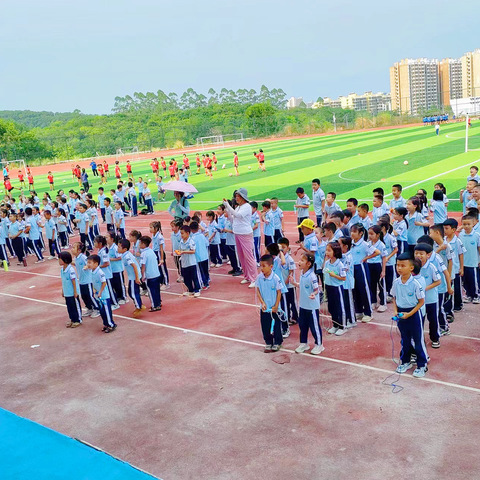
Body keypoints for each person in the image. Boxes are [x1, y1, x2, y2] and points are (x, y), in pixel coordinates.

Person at [392, 254, 428, 378]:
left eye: (403, 265)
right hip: (402, 313)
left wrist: (409, 314)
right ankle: (405, 361)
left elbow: (421, 302)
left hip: (413, 313)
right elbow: (394, 298)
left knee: (417, 340)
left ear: (411, 268)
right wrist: (396, 311)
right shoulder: (396, 282)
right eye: (398, 265)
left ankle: (422, 364)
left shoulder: (416, 284)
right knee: (405, 339)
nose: (399, 268)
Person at [223, 188, 258, 288]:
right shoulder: (238, 207)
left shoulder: (247, 207)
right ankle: (247, 276)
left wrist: (228, 206)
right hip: (238, 233)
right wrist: (227, 208)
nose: (236, 198)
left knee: (249, 257)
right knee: (241, 257)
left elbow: (238, 215)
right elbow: (233, 218)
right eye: (236, 196)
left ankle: (254, 278)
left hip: (245, 233)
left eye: (238, 196)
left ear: (243, 197)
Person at [291, 253, 324, 355]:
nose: (299, 262)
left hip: (312, 306)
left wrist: (313, 294)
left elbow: (316, 289)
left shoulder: (312, 276)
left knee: (314, 326)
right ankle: (304, 343)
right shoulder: (302, 274)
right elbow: (303, 286)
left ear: (309, 264)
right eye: (299, 260)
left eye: (302, 260)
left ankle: (319, 345)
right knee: (303, 326)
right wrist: (294, 284)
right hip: (303, 305)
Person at [414, 243, 441, 348]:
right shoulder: (413, 266)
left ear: (428, 255)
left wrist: (424, 288)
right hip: (419, 301)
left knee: (433, 319)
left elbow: (438, 281)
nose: (418, 256)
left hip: (431, 299)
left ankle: (435, 338)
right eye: (416, 253)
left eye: (421, 254)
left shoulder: (431, 267)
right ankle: (420, 340)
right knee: (419, 321)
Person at [350, 224, 379, 323]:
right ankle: (359, 311)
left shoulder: (365, 244)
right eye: (351, 231)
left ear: (361, 233)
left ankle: (368, 312)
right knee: (355, 289)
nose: (352, 234)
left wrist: (366, 258)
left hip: (361, 268)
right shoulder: (351, 243)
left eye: (354, 232)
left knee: (364, 289)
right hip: (352, 268)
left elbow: (377, 252)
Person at [256, 254, 283, 352]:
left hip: (274, 308)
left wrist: (276, 306)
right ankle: (268, 342)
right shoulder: (259, 278)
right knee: (265, 325)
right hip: (265, 308)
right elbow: (258, 291)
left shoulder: (275, 278)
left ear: (271, 266)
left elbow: (279, 292)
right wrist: (262, 303)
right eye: (260, 266)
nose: (261, 268)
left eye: (264, 266)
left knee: (276, 325)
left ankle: (277, 342)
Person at [87, 254, 117, 332]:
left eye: (90, 263)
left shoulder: (100, 272)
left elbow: (104, 283)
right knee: (102, 311)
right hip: (98, 295)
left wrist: (100, 292)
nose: (88, 264)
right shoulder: (92, 271)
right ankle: (106, 324)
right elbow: (93, 282)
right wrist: (94, 289)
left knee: (106, 310)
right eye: (88, 263)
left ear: (96, 264)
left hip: (104, 295)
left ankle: (111, 324)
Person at [71, 241, 100, 318]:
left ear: (79, 250)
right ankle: (89, 308)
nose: (72, 249)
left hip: (88, 281)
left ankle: (97, 309)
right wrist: (70, 263)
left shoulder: (83, 257)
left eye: (74, 248)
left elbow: (89, 263)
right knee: (84, 296)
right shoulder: (76, 258)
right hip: (81, 281)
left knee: (90, 296)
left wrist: (87, 266)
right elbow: (76, 264)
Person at [324, 242, 347, 335]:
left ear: (335, 252)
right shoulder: (327, 263)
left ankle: (342, 326)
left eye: (329, 251)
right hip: (329, 287)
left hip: (337, 288)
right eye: (326, 250)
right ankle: (335, 324)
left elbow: (343, 278)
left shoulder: (340, 264)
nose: (327, 252)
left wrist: (334, 275)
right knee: (331, 307)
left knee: (339, 307)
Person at [118, 238, 145, 317]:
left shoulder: (127, 256)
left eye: (119, 247)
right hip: (132, 277)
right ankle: (139, 304)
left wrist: (137, 278)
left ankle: (139, 307)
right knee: (131, 292)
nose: (117, 248)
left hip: (134, 277)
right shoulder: (125, 254)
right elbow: (135, 260)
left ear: (125, 249)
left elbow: (134, 265)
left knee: (133, 293)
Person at [443, 218, 465, 314]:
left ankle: (458, 304)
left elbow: (461, 254)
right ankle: (448, 304)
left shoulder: (457, 241)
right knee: (448, 287)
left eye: (447, 228)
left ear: (453, 229)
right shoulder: (443, 240)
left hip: (455, 268)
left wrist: (461, 267)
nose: (445, 230)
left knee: (456, 287)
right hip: (447, 268)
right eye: (444, 228)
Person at [458, 215, 480, 303]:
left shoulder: (476, 235)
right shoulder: (461, 235)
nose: (466, 226)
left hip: (473, 262)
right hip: (463, 263)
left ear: (473, 224)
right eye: (464, 224)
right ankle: (468, 295)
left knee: (474, 280)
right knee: (465, 280)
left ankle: (476, 295)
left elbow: (479, 248)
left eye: (468, 224)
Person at [366, 225, 387, 313]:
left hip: (377, 265)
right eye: (369, 234)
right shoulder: (368, 244)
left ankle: (383, 303)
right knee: (371, 284)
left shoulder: (381, 245)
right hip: (369, 265)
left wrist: (383, 270)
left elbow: (384, 258)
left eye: (372, 234)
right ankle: (373, 301)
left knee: (381, 285)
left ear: (378, 235)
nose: (370, 236)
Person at [59, 251, 82, 328]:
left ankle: (78, 320)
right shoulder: (62, 270)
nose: (58, 260)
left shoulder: (70, 270)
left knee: (75, 306)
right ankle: (72, 319)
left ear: (65, 260)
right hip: (67, 292)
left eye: (60, 259)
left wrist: (75, 292)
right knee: (69, 307)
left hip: (72, 292)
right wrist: (63, 290)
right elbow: (63, 281)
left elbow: (73, 281)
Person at [176, 225, 201, 297]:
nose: (181, 235)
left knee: (194, 276)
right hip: (184, 262)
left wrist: (184, 252)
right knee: (186, 277)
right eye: (180, 233)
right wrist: (178, 252)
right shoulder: (181, 241)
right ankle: (190, 290)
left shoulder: (191, 241)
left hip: (191, 262)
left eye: (182, 233)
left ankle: (197, 290)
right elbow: (180, 250)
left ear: (187, 233)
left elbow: (193, 251)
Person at [139, 236, 162, 311]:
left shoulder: (143, 254)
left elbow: (143, 266)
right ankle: (158, 303)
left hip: (150, 275)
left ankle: (154, 305)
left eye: (140, 243)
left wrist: (142, 276)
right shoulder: (151, 251)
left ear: (143, 244)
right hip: (156, 273)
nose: (139, 244)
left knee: (151, 291)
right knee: (157, 290)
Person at [107, 231, 127, 304]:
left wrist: (111, 259)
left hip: (118, 269)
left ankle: (123, 297)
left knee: (120, 284)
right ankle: (118, 297)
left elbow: (120, 257)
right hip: (112, 269)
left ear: (112, 239)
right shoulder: (108, 247)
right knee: (115, 285)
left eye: (107, 237)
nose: (105, 239)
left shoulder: (115, 248)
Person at [150, 221, 169, 290]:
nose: (150, 229)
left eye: (151, 227)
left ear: (156, 228)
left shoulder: (159, 237)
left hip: (159, 253)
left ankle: (166, 283)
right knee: (158, 269)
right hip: (155, 252)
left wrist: (161, 258)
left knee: (163, 268)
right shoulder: (153, 235)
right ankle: (161, 282)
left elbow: (161, 248)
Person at [190, 221, 210, 288]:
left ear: (191, 229)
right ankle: (207, 281)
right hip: (205, 256)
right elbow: (207, 244)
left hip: (198, 258)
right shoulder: (202, 235)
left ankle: (204, 284)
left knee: (200, 272)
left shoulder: (192, 238)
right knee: (205, 270)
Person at [223, 211, 242, 276]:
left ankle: (238, 268)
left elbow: (235, 231)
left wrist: (227, 230)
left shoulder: (233, 221)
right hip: (228, 241)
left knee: (235, 256)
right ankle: (234, 267)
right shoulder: (226, 220)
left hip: (233, 242)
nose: (224, 213)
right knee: (231, 256)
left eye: (225, 212)